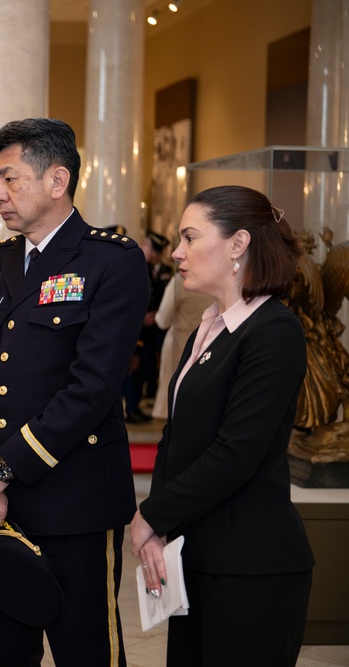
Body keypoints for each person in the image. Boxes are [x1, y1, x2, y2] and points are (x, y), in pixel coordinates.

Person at [0, 117, 150, 666]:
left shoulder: (110, 260)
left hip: (74, 504)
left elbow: (94, 387)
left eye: (10, 180)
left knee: (87, 653)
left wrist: (1, 473)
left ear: (58, 181)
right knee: (1, 655)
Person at [130, 185, 314, 667]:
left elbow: (236, 452)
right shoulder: (208, 326)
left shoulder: (274, 330)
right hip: (199, 559)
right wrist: (159, 522)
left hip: (251, 567)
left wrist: (151, 515)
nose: (177, 252)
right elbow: (177, 437)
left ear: (238, 244)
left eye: (190, 237)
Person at [150, 271, 213, 420]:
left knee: (170, 394)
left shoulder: (179, 281)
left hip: (179, 340)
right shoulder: (213, 278)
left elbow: (162, 320)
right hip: (208, 340)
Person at [126, 230, 173, 422]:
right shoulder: (135, 266)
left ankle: (135, 405)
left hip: (148, 328)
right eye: (151, 249)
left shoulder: (150, 268)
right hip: (136, 326)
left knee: (143, 366)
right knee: (132, 367)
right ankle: (131, 407)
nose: (153, 254)